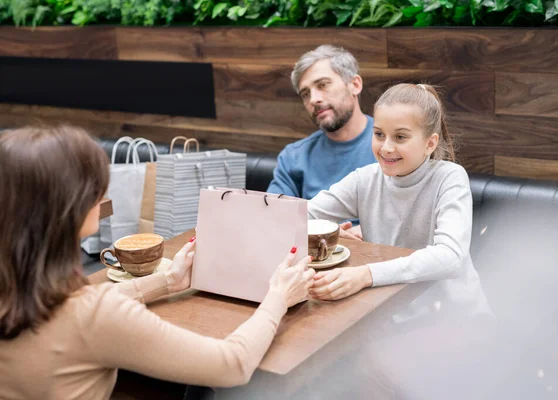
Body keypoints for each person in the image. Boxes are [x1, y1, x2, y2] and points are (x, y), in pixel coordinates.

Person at [0, 125, 315, 399]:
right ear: (68, 206)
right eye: (94, 186)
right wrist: (277, 298)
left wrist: (167, 281)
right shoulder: (95, 316)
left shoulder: (22, 289)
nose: (102, 194)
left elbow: (72, 309)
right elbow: (231, 364)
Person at [307, 83, 490, 321]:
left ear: (430, 143)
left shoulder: (450, 177)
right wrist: (331, 234)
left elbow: (450, 257)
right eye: (379, 134)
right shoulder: (365, 179)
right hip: (389, 315)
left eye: (400, 136)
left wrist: (364, 275)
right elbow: (300, 215)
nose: (386, 147)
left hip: (455, 319)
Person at [267, 44, 376, 239]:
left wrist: (370, 234)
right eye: (306, 94)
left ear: (355, 85)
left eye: (323, 85)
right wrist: (324, 233)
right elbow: (272, 219)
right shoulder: (294, 157)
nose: (314, 99)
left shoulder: (393, 148)